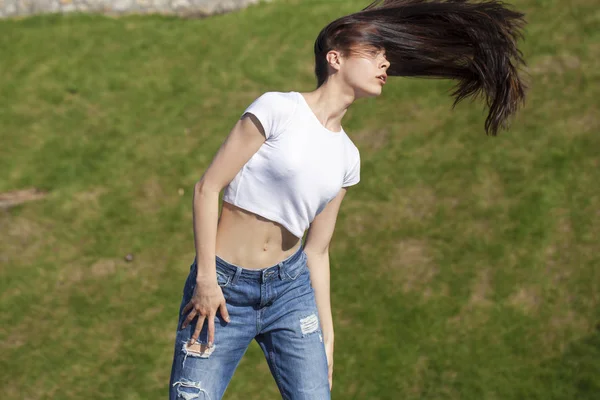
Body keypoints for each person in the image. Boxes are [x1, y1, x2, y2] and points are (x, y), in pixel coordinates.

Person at [168, 0, 527, 399]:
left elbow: (317, 252)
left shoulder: (348, 156)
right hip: (223, 290)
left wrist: (328, 338)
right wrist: (205, 280)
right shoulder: (278, 109)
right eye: (375, 54)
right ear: (335, 58)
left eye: (386, 57)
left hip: (289, 292)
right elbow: (207, 188)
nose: (386, 64)